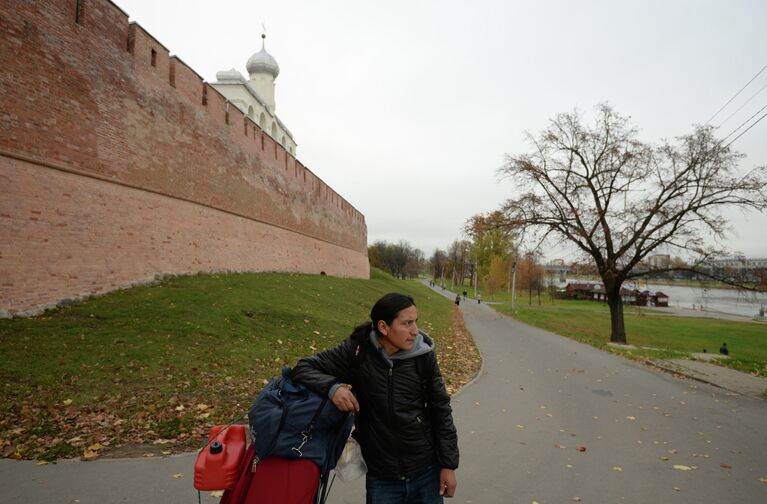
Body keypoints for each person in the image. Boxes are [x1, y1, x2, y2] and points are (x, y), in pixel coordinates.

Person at [292, 293, 459, 503]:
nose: (415, 331)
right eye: (406, 323)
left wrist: (448, 465)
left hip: (425, 471)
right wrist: (333, 389)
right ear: (383, 327)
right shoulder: (357, 352)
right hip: (382, 478)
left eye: (415, 322)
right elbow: (303, 368)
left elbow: (441, 409)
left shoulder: (423, 356)